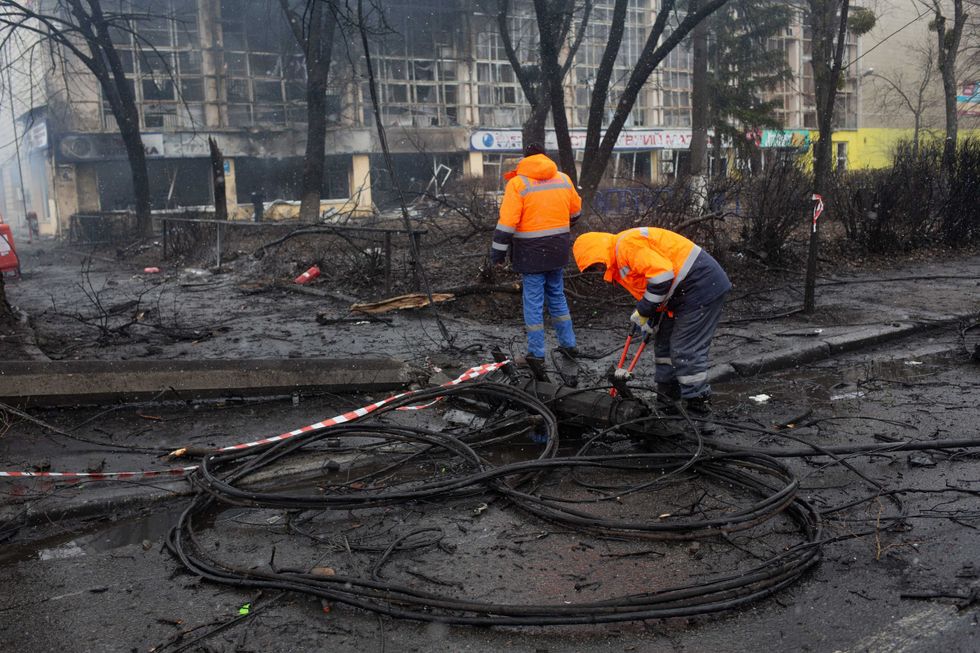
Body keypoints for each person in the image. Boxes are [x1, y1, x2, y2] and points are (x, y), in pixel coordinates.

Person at [573, 227, 731, 414]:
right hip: (680, 293)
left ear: (598, 252)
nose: (598, 270)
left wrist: (644, 311)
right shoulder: (619, 258)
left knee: (685, 349)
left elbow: (662, 277)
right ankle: (667, 402)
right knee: (663, 347)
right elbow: (656, 288)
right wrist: (652, 318)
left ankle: (699, 407)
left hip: (701, 286)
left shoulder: (626, 246)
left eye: (596, 265)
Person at [490, 142, 581, 379]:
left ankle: (536, 353)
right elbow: (576, 213)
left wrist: (497, 253)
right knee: (557, 295)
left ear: (525, 158)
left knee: (533, 302)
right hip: (558, 249)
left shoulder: (518, 184)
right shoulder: (563, 178)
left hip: (530, 253)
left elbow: (507, 223)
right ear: (545, 156)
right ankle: (569, 345)